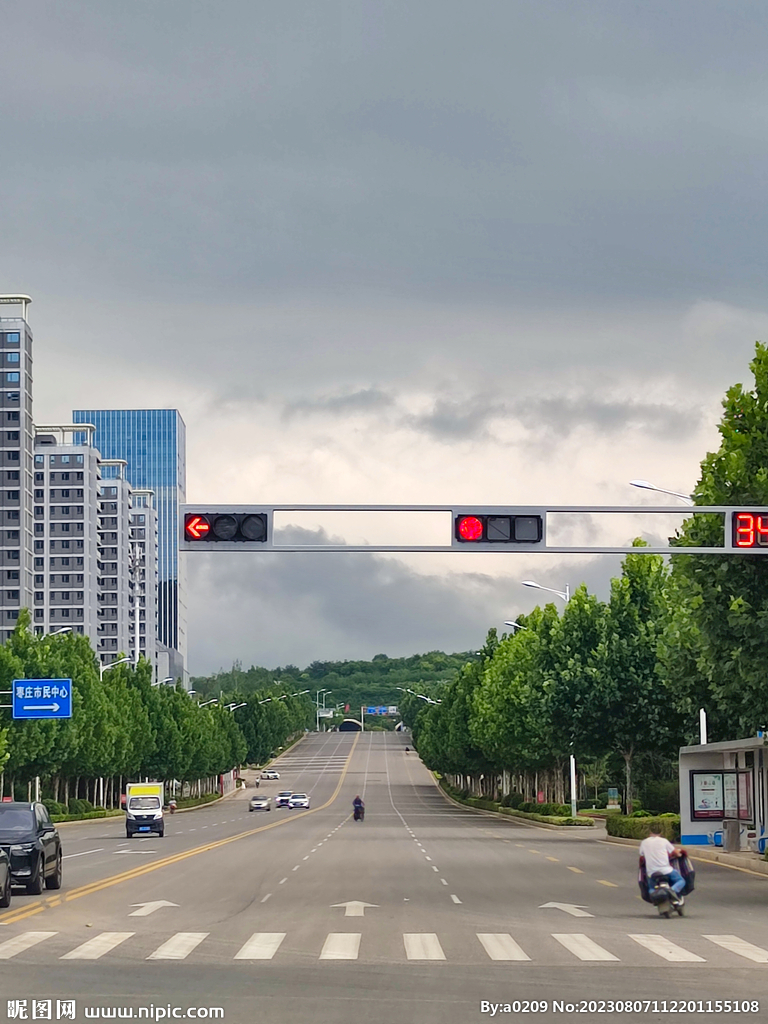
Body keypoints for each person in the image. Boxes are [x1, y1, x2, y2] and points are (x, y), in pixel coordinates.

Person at [639, 823, 686, 904]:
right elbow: (675, 852)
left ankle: (654, 897)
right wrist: (679, 854)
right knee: (681, 880)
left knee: (651, 888)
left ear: (649, 833)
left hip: (651, 873)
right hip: (666, 870)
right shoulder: (664, 841)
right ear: (660, 833)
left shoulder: (644, 842)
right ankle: (672, 890)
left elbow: (642, 854)